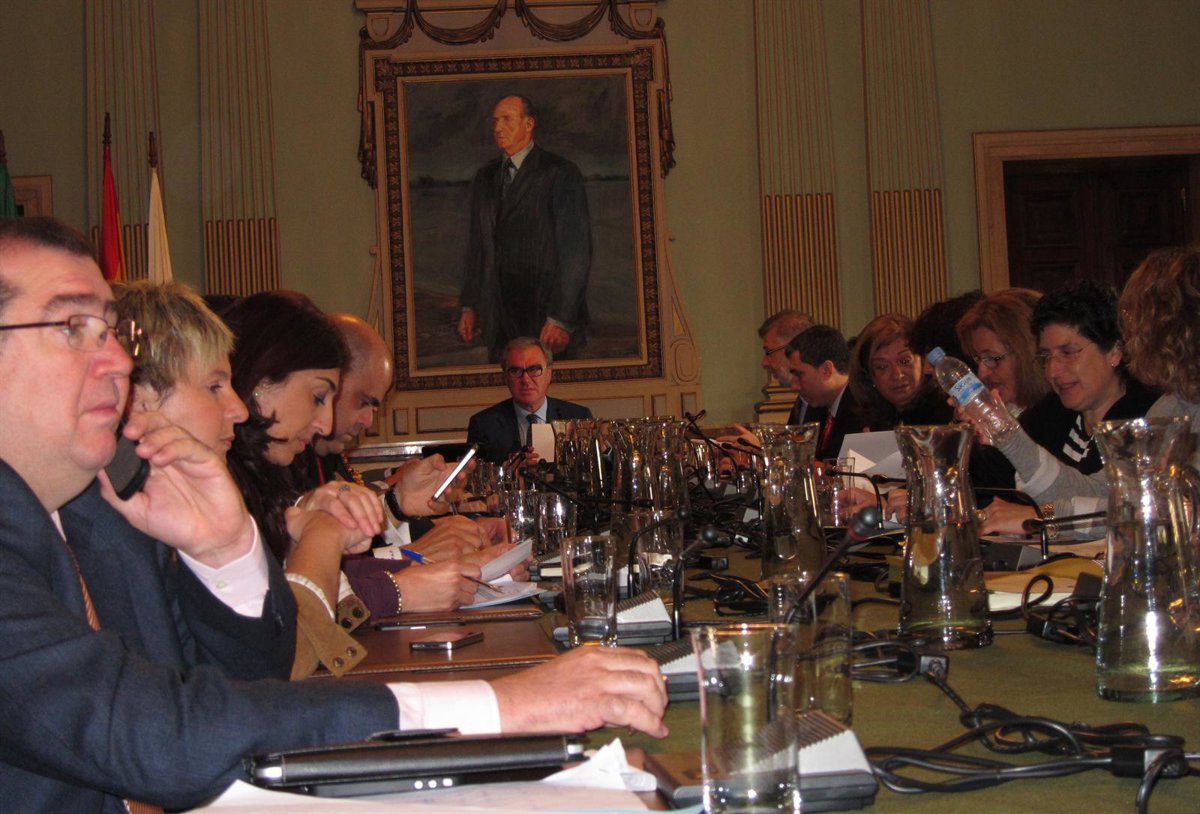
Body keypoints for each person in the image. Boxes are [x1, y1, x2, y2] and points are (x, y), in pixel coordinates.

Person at [0, 217, 668, 811]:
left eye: (112, 332)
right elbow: (158, 736)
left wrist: (228, 553)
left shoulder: (101, 514)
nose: (117, 361)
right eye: (71, 327)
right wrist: (504, 705)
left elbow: (246, 690)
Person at [981, 246, 1200, 533]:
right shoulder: (1174, 404)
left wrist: (1040, 518)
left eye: (1135, 320)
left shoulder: (1154, 408)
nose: (1131, 336)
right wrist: (1003, 430)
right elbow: (1105, 495)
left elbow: (1143, 514)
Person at [457, 94, 592, 361]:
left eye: (507, 120)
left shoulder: (560, 173)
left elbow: (576, 251)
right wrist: (469, 305)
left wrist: (562, 318)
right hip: (498, 319)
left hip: (545, 320)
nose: (498, 128)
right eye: (495, 121)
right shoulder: (485, 177)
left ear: (529, 124)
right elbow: (478, 247)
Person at [467, 336, 592, 464]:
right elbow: (475, 473)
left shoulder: (578, 418)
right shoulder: (484, 425)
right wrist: (507, 471)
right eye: (516, 371)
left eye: (534, 369)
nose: (525, 380)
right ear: (505, 378)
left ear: (549, 374)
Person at [848, 313, 952, 430]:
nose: (897, 375)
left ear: (923, 360)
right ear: (868, 375)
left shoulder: (949, 411)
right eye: (882, 367)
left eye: (904, 361)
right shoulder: (864, 420)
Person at [956, 288, 1049, 416]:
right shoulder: (1008, 409)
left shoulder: (1056, 415)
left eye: (992, 358)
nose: (982, 373)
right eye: (977, 358)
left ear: (1029, 353)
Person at [785, 324, 864, 459]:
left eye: (798, 374)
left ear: (826, 370)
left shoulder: (863, 409)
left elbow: (843, 467)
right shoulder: (819, 408)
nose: (793, 386)